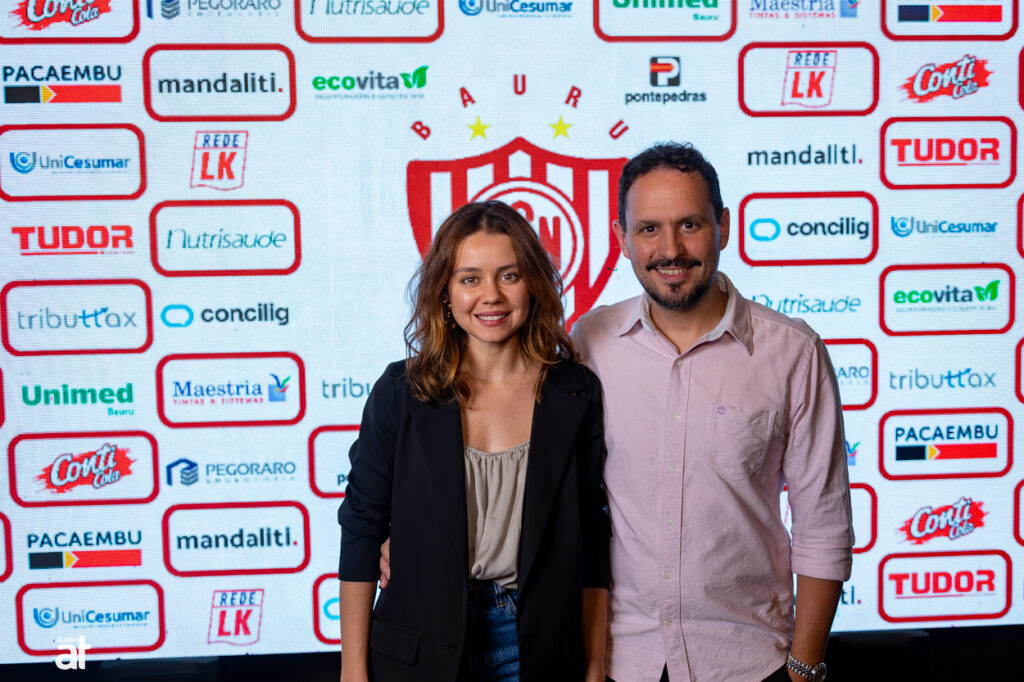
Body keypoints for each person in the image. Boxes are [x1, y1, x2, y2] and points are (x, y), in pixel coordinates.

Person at [571, 142, 854, 682]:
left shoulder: (793, 352)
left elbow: (823, 524)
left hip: (749, 662)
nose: (670, 249)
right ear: (622, 239)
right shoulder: (589, 342)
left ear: (722, 226)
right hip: (621, 660)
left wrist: (803, 671)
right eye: (649, 229)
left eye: (689, 225)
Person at [337, 201, 611, 682]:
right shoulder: (400, 392)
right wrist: (352, 671)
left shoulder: (576, 392)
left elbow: (591, 534)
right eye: (470, 279)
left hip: (540, 647)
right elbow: (362, 527)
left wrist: (592, 667)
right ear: (445, 291)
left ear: (533, 284)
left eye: (509, 275)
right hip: (418, 647)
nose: (491, 296)